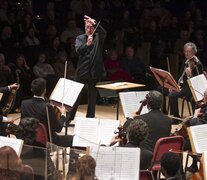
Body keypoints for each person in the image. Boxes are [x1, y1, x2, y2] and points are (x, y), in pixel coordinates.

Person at [68, 15, 107, 120]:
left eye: (90, 27)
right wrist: (87, 44)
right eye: (87, 27)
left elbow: (104, 32)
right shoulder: (80, 38)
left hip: (94, 71)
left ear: (94, 28)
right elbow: (78, 50)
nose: (88, 29)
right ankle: (69, 118)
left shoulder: (98, 37)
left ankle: (90, 118)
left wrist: (93, 22)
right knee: (76, 96)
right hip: (82, 71)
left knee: (92, 97)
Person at [20, 78, 73, 147]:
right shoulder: (47, 107)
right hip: (48, 141)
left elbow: (23, 121)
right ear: (44, 90)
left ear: (31, 90)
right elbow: (58, 129)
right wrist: (63, 114)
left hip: (30, 139)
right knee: (72, 139)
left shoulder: (24, 103)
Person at [169, 42, 203, 118]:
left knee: (173, 95)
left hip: (190, 88)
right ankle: (175, 116)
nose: (186, 53)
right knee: (169, 93)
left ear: (194, 52)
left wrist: (190, 75)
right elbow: (180, 76)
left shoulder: (198, 64)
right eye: (185, 51)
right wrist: (174, 85)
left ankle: (189, 117)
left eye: (189, 51)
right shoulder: (185, 61)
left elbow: (198, 80)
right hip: (182, 86)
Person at [182, 89, 207, 173]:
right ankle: (194, 165)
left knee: (184, 143)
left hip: (204, 142)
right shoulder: (204, 108)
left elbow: (196, 126)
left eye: (204, 97)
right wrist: (192, 116)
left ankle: (180, 172)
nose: (202, 99)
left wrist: (195, 116)